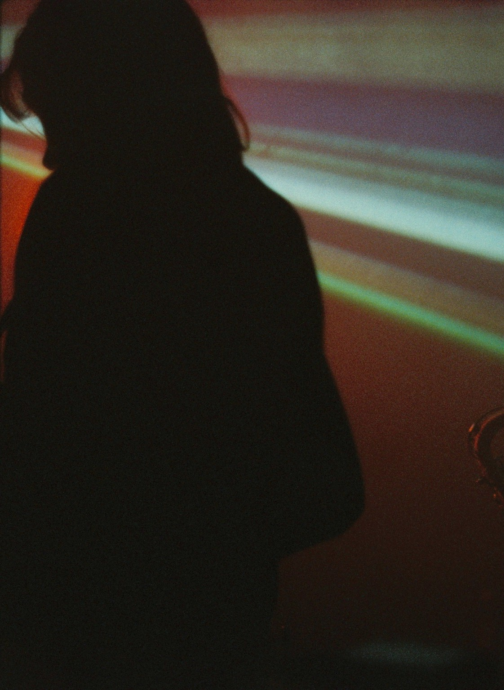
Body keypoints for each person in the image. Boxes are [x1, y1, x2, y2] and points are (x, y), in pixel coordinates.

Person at [0, 1, 364, 688]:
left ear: (104, 94)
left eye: (57, 113)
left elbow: (43, 454)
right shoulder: (262, 222)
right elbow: (328, 485)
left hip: (74, 637)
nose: (47, 150)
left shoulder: (73, 217)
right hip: (216, 634)